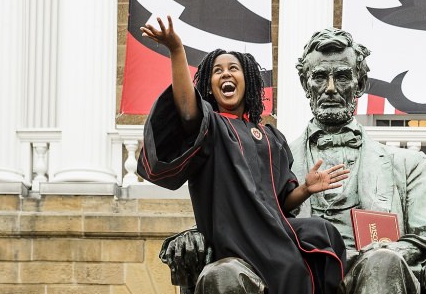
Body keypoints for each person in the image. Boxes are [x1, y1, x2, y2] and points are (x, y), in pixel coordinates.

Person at [162, 27, 426, 294]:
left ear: (361, 83)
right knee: (222, 273)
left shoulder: (406, 164)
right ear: (305, 84)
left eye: (343, 76)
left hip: (369, 273)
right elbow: (239, 210)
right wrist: (195, 235)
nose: (331, 88)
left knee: (383, 263)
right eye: (320, 77)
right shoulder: (274, 153)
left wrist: (396, 250)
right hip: (292, 272)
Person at [137, 16, 348, 294]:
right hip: (235, 234)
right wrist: (177, 51)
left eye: (233, 68)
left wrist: (307, 188)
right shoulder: (211, 126)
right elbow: (188, 110)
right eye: (217, 71)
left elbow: (282, 203)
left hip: (272, 229)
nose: (225, 74)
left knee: (322, 233)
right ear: (209, 86)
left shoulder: (272, 137)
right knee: (285, 264)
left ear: (246, 79)